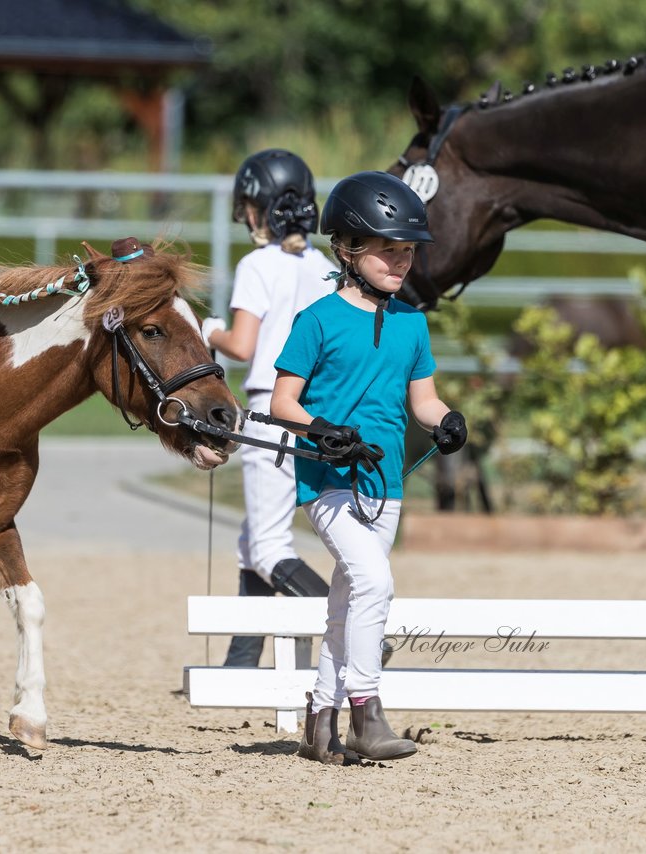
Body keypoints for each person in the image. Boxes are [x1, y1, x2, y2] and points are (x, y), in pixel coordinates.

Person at [270, 171, 468, 764]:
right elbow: (283, 401)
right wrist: (320, 430)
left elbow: (423, 402)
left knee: (346, 603)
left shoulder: (412, 323)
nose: (402, 262)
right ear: (347, 250)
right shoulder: (317, 320)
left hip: (387, 485)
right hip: (329, 482)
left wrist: (447, 420)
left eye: (408, 252)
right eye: (389, 250)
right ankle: (367, 712)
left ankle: (320, 724)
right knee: (375, 582)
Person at [200, 149, 336, 668]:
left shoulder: (257, 265)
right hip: (311, 414)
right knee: (251, 539)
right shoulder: (323, 267)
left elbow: (242, 346)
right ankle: (240, 663)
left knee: (269, 545)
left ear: (262, 210)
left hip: (267, 413)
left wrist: (206, 328)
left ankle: (355, 631)